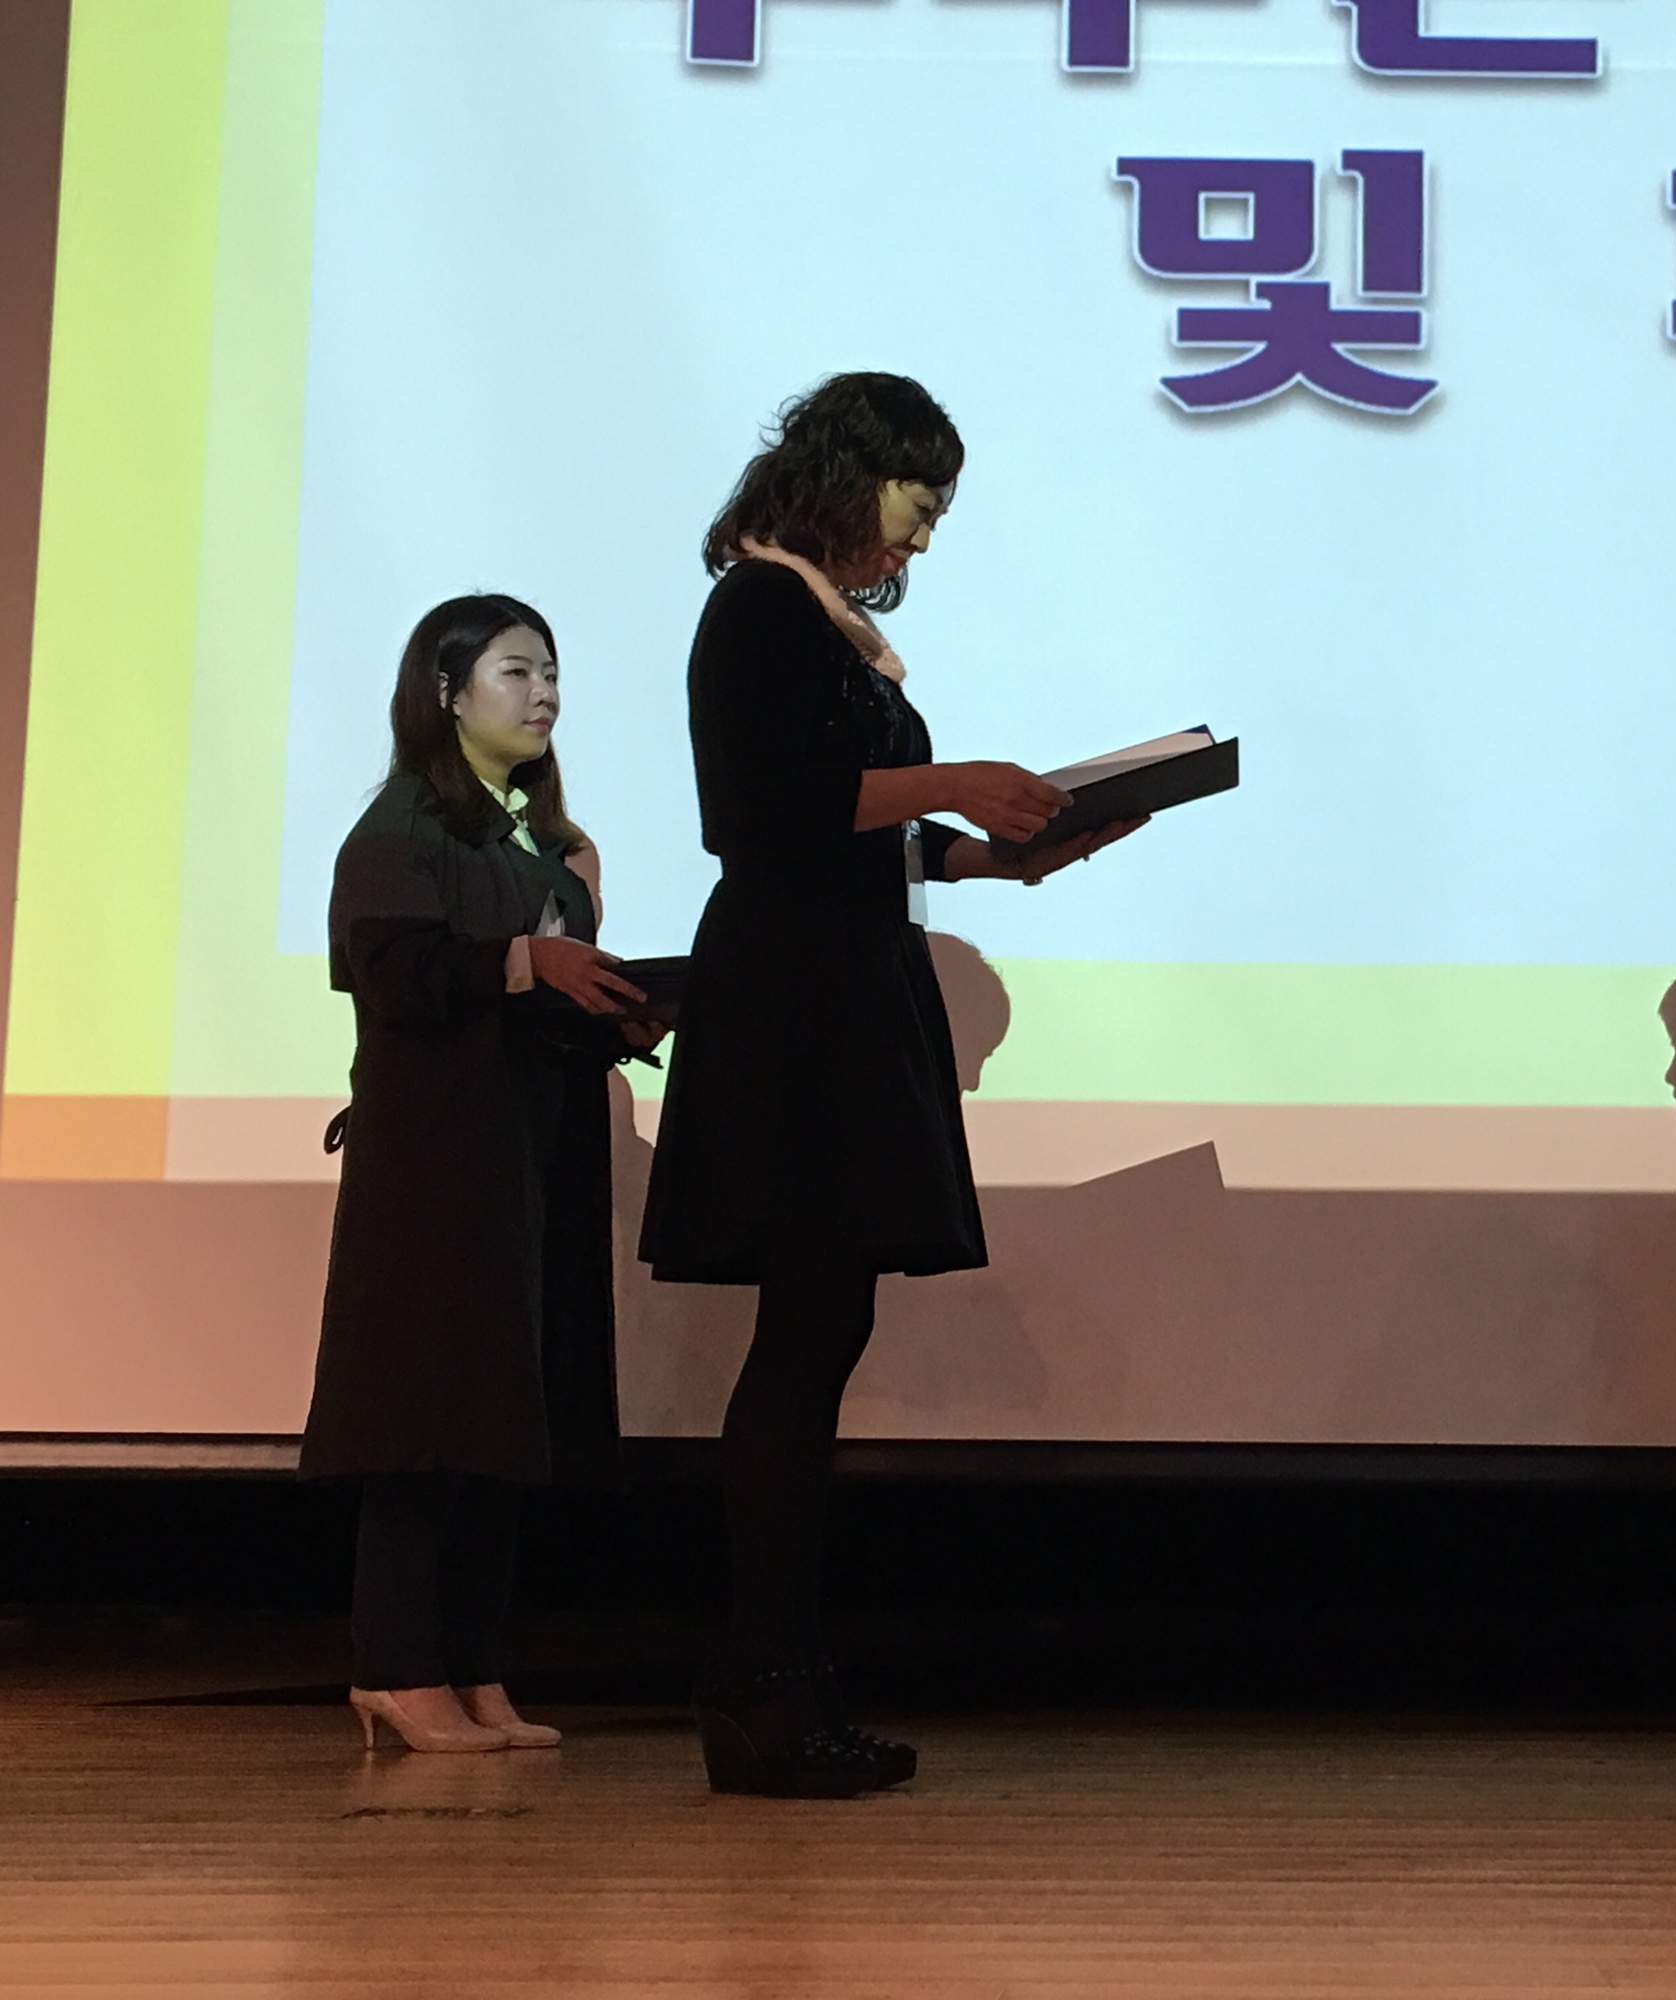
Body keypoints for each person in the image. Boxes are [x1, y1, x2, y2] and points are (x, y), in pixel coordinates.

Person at [638, 372, 1133, 1797]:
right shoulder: (759, 606)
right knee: (800, 1348)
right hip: (795, 1001)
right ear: (849, 477)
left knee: (819, 1336)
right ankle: (763, 1687)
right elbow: (757, 812)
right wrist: (953, 779)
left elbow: (848, 833)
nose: (922, 537)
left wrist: (995, 853)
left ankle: (782, 1684)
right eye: (918, 503)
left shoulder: (822, 624)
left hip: (838, 983)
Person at [302, 595, 654, 1754]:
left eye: (550, 671)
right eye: (515, 671)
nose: (543, 692)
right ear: (446, 693)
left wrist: (612, 995)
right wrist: (523, 958)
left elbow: (545, 993)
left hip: (528, 1153)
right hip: (436, 1165)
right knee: (426, 1412)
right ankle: (397, 1666)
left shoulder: (542, 846)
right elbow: (395, 972)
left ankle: (473, 1662)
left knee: (508, 1411)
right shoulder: (397, 833)